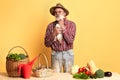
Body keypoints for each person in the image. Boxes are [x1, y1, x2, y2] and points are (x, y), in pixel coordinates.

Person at [44, 3, 76, 73]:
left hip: (68, 54)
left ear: (64, 13)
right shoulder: (50, 26)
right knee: (55, 77)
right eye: (55, 12)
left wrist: (63, 27)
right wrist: (54, 33)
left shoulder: (72, 25)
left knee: (69, 77)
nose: (57, 14)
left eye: (59, 12)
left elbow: (70, 41)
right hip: (55, 54)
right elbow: (46, 44)